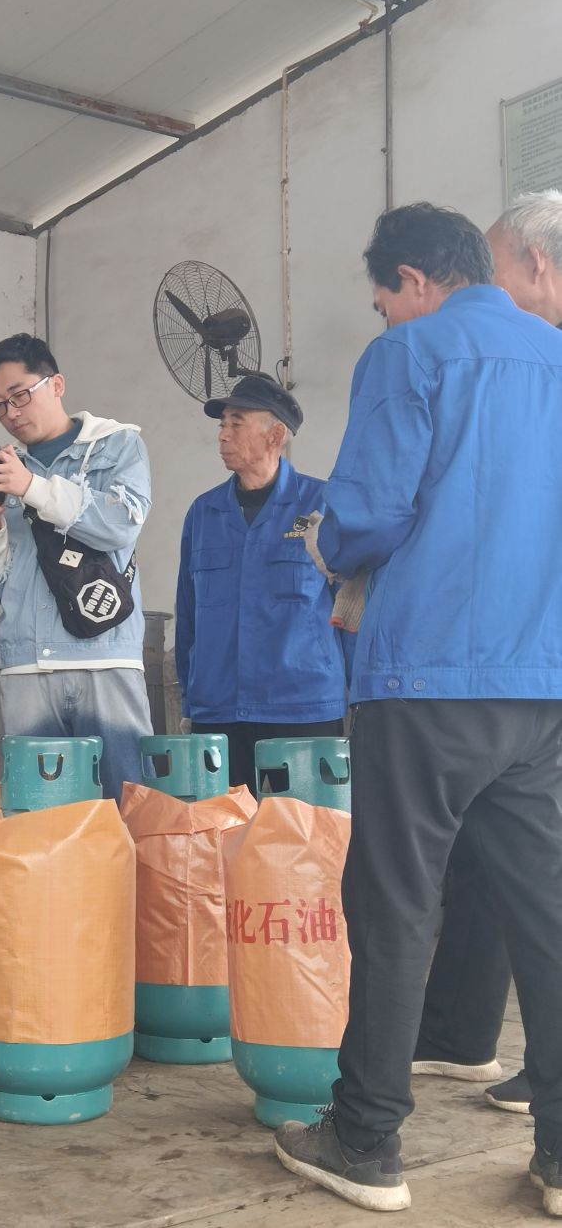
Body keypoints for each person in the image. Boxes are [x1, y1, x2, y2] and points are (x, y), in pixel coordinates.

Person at [273, 203, 562, 1215]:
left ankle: (364, 1139)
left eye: (383, 299)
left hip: (426, 677)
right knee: (547, 915)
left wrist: (327, 545)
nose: (386, 315)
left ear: (413, 281)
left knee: (395, 904)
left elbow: (368, 513)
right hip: (543, 685)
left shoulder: (410, 353)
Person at [414, 189, 562, 1114]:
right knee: (499, 861)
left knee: (535, 880)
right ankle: (467, 1035)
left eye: (495, 267)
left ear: (536, 265)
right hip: (522, 661)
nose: (483, 290)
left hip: (526, 661)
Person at [0, 332, 153, 802]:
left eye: (20, 395)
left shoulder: (115, 445)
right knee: (37, 818)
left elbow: (120, 524)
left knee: (126, 807)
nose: (11, 412)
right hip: (25, 665)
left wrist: (31, 487)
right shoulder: (7, 466)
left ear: (57, 385)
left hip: (105, 658)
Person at [175, 374, 346, 794]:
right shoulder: (204, 514)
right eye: (222, 425)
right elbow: (188, 616)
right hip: (218, 711)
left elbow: (352, 608)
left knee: (305, 829)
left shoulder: (321, 506)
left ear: (275, 435)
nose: (223, 435)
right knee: (220, 828)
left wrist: (359, 697)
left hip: (303, 709)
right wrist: (190, 702)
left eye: (236, 423)